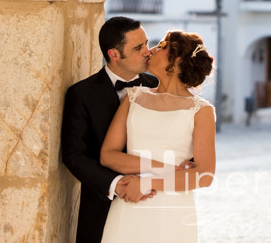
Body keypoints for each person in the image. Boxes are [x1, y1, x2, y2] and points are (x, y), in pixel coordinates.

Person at [99, 30, 216, 243]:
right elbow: (108, 156)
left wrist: (147, 183)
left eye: (161, 46)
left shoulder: (201, 110)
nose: (151, 50)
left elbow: (205, 175)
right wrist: (165, 168)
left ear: (177, 58)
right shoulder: (133, 97)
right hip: (129, 203)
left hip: (170, 210)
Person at [61, 16, 159, 243]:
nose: (147, 52)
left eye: (146, 43)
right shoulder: (82, 94)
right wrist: (117, 184)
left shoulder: (159, 86)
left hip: (155, 204)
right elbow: (74, 155)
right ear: (114, 54)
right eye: (138, 48)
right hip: (102, 208)